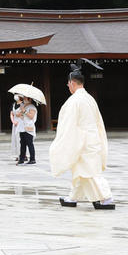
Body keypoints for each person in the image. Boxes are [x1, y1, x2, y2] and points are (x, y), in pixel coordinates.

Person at [49, 60, 115, 209]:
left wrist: (62, 141)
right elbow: (98, 122)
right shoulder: (89, 98)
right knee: (80, 170)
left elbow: (69, 123)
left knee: (89, 171)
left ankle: (105, 197)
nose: (67, 86)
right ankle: (73, 197)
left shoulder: (75, 101)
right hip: (92, 139)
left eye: (68, 83)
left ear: (72, 83)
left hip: (83, 141)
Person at [16, 96, 37, 165]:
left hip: (29, 127)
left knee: (29, 143)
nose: (23, 99)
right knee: (22, 144)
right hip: (22, 127)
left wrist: (24, 111)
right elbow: (17, 114)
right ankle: (21, 159)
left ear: (29, 99)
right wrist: (21, 111)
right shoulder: (23, 106)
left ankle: (32, 159)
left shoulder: (32, 107)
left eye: (25, 98)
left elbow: (31, 116)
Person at [9, 94, 23, 161]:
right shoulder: (13, 104)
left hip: (22, 122)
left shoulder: (24, 105)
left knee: (21, 139)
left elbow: (24, 114)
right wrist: (13, 121)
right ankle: (17, 154)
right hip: (15, 123)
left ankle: (23, 154)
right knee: (15, 139)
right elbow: (11, 114)